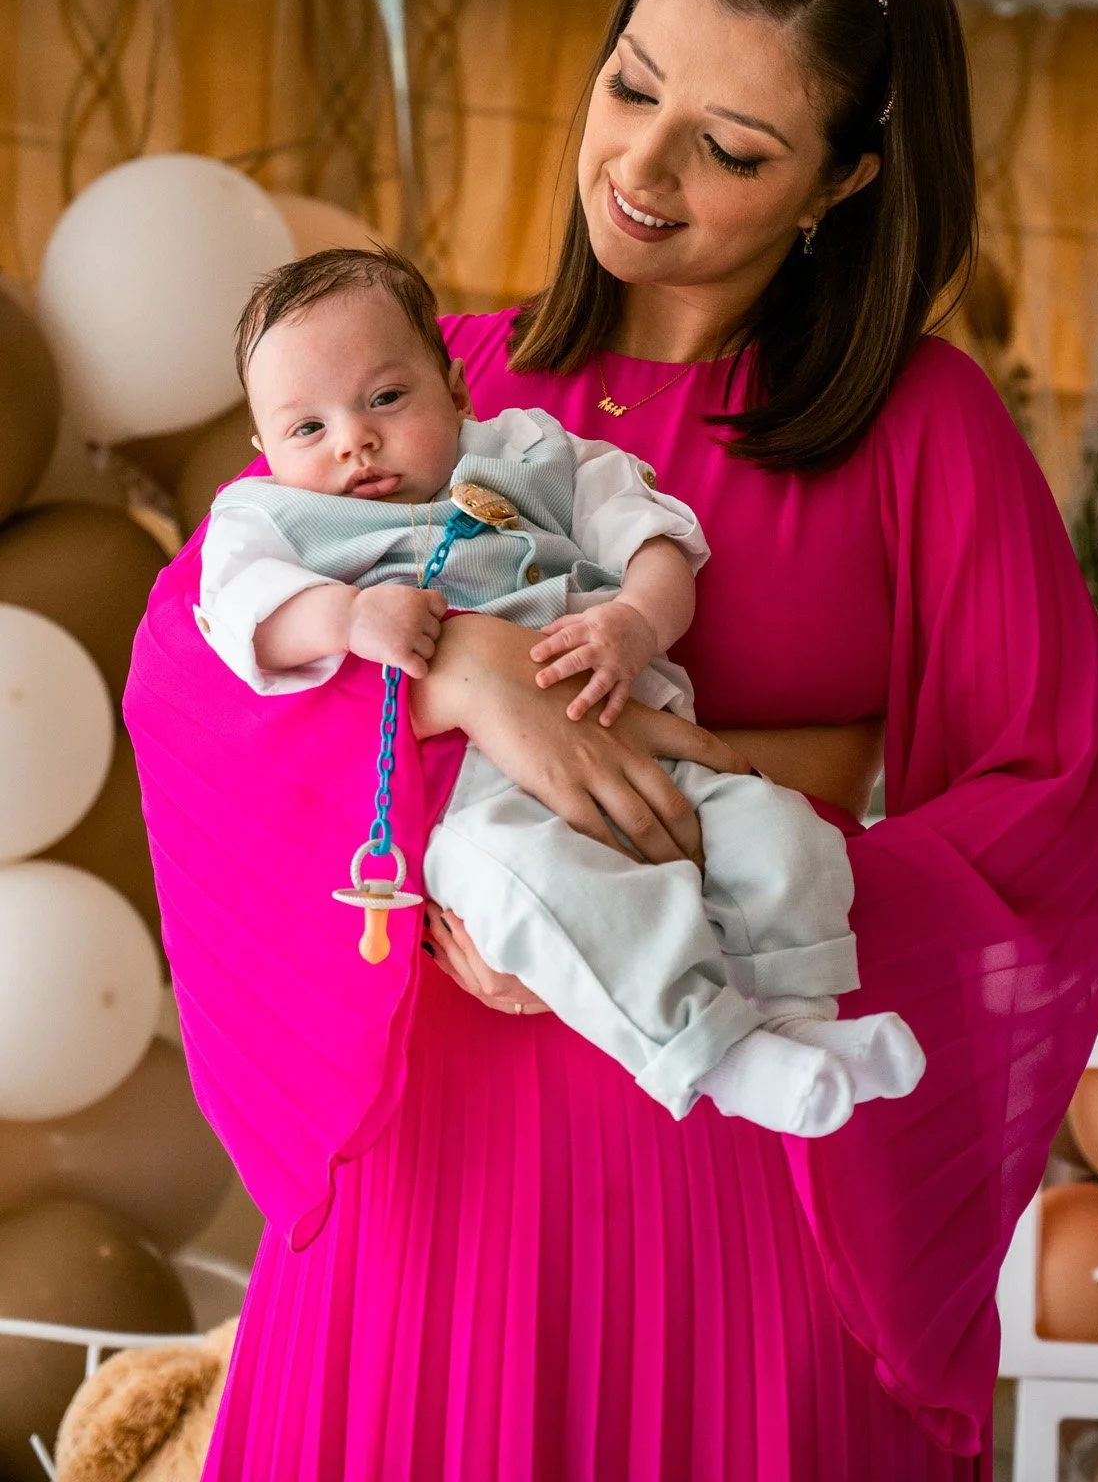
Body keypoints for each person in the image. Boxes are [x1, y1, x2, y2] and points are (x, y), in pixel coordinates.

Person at [126, 0, 1098, 1481]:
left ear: (843, 181)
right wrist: (458, 677)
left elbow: (1056, 806)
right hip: (435, 1178)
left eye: (733, 148)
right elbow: (192, 668)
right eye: (629, 87)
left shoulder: (923, 429)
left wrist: (731, 871)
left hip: (743, 1160)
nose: (643, 171)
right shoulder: (420, 378)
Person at [196, 245, 923, 1136]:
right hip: (472, 801)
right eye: (306, 428)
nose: (353, 439)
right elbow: (241, 616)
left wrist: (638, 622)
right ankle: (718, 1055)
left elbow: (655, 541)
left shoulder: (533, 451)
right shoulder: (266, 518)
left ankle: (799, 1019)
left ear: (454, 388)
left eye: (386, 398)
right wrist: (344, 618)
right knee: (549, 894)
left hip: (629, 730)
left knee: (783, 836)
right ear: (262, 447)